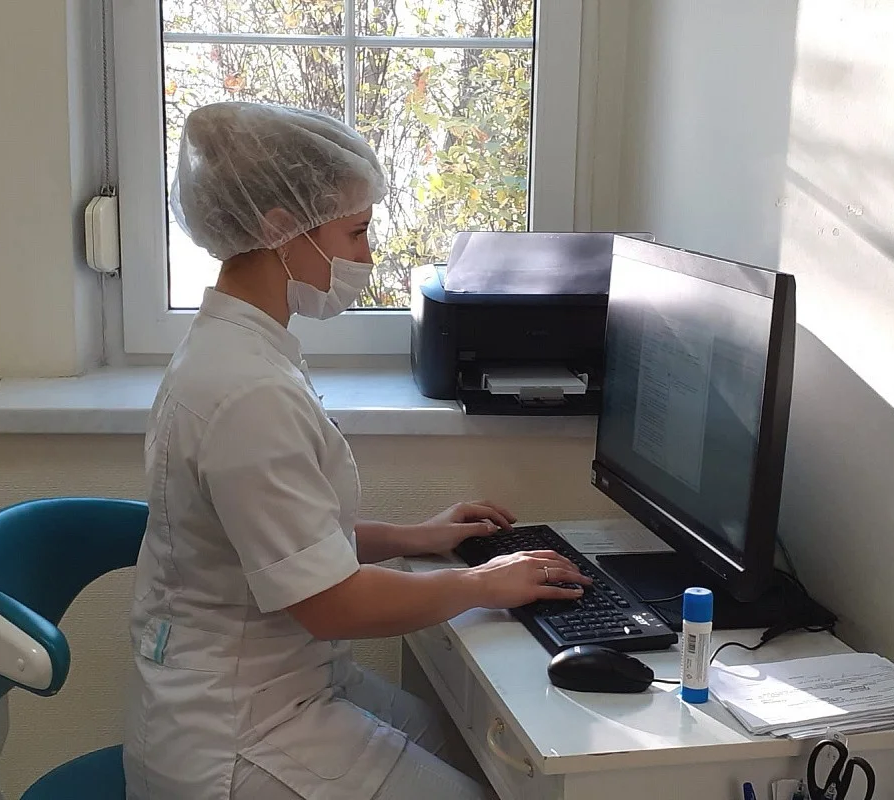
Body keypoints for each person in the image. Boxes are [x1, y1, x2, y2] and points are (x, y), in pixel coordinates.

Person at [122, 102, 591, 800]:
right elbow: (331, 604)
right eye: (356, 232)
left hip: (277, 683)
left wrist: (415, 536)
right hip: (237, 732)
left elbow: (287, 539)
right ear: (279, 228)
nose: (366, 258)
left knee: (467, 748)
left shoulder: (236, 348)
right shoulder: (247, 393)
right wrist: (484, 584)